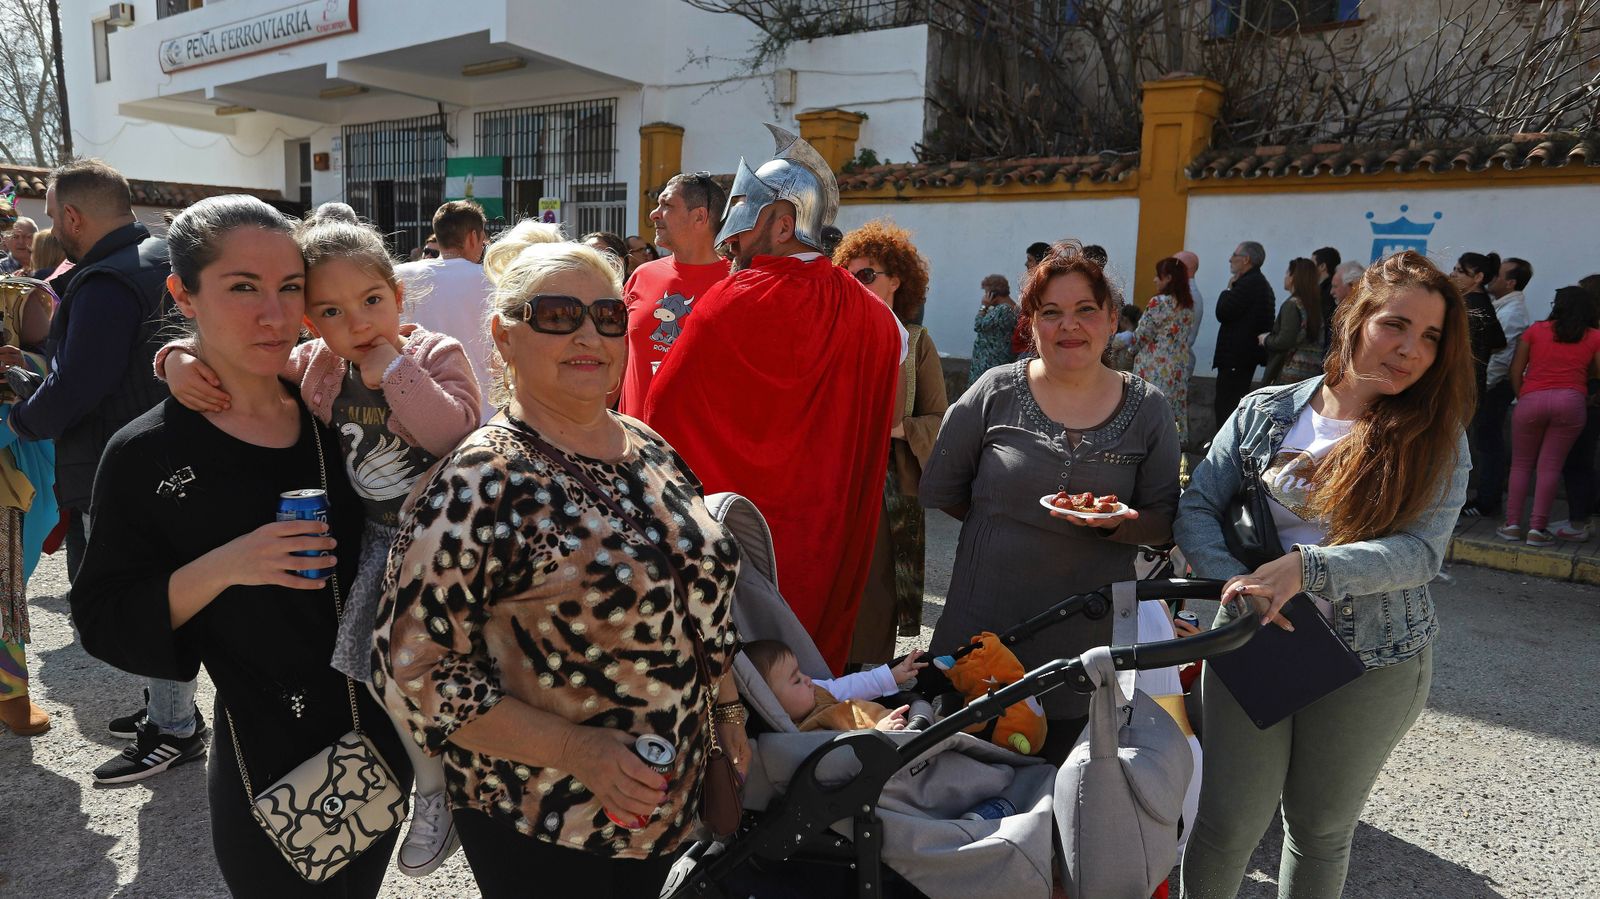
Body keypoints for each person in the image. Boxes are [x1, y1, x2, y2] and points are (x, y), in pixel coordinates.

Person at [372, 233, 745, 898]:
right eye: (555, 314)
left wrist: (730, 710)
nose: (588, 335)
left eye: (607, 316)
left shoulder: (648, 444)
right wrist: (578, 750)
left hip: (666, 805)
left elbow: (703, 595)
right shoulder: (481, 479)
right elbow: (411, 669)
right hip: (547, 820)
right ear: (504, 336)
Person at [70, 195, 415, 896]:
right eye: (242, 288)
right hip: (267, 761)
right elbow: (103, 612)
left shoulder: (336, 407)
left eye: (291, 288)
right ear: (182, 294)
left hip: (382, 735)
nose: (273, 314)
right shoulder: (146, 453)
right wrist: (231, 563)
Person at [157, 202, 483, 877]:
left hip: (450, 544)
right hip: (378, 544)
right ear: (312, 323)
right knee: (380, 670)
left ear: (398, 295)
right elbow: (238, 364)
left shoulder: (431, 353)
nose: (357, 322)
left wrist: (394, 368)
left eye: (370, 300)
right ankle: (434, 786)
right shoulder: (320, 367)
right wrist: (174, 357)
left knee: (448, 664)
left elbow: (451, 433)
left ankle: (461, 774)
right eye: (331, 312)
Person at [1175, 250, 1474, 899]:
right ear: (1355, 317)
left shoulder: (1436, 436)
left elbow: (1420, 553)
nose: (1411, 349)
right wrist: (1239, 583)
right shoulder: (1267, 410)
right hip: (1252, 633)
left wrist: (1308, 568)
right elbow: (1197, 503)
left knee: (1318, 829)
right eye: (1397, 324)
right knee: (1226, 824)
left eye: (1431, 337)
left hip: (1376, 657)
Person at [643, 124, 902, 672]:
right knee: (809, 677)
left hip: (744, 549)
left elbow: (662, 421)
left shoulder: (731, 301)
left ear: (784, 224)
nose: (729, 234)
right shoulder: (878, 319)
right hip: (829, 540)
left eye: (743, 211)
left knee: (747, 678)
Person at [920, 244, 1180, 763]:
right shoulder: (994, 391)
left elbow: (1163, 521)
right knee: (959, 788)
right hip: (982, 628)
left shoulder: (1148, 408)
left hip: (1082, 637)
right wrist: (1003, 526)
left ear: (1111, 319)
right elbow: (941, 488)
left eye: (1086, 310)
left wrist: (1116, 526)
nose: (1070, 326)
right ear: (1030, 322)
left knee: (1058, 796)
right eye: (1051, 312)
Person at [5, 159, 201, 783]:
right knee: (162, 589)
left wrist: (21, 417)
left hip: (127, 464)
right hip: (167, 450)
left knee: (150, 597)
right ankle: (167, 709)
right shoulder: (158, 255)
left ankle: (174, 728)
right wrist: (34, 383)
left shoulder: (103, 281)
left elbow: (80, 386)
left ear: (70, 217)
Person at [835, 220, 948, 663]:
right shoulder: (832, 335)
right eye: (848, 275)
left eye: (868, 275)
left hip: (888, 481)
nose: (856, 284)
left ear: (897, 280)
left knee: (876, 584)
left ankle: (874, 680)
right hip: (834, 476)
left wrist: (896, 428)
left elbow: (941, 419)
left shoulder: (917, 342)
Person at [617, 171, 730, 417]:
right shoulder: (641, 276)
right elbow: (618, 361)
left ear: (700, 216)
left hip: (697, 451)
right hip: (634, 445)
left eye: (667, 205)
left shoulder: (738, 285)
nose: (653, 214)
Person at [1496, 286, 1600, 546]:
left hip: (1531, 400)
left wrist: (1524, 397)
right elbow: (1598, 373)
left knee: (1520, 465)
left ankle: (1511, 526)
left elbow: (1515, 370)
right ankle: (1536, 530)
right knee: (1550, 467)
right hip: (1571, 402)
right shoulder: (1595, 336)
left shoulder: (1535, 331)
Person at [0, 277, 57, 735]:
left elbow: (56, 363)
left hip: (19, 477)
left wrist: (28, 368)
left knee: (7, 583)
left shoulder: (22, 296)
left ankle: (8, 689)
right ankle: (9, 691)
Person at [397, 201, 495, 420]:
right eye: (482, 238)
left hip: (415, 404)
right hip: (481, 409)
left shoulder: (401, 276)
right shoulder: (492, 280)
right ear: (472, 237)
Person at [1464, 257, 1534, 519]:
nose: (1493, 278)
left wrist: (1480, 387)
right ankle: (1484, 497)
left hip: (1494, 387)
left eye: (1500, 275)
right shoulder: (1502, 306)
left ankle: (1487, 500)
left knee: (1488, 443)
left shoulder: (1513, 312)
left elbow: (1499, 359)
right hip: (1488, 385)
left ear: (1511, 282)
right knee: (1483, 443)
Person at [744, 639, 925, 732]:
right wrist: (879, 735)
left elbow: (849, 685)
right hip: (883, 744)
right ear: (771, 705)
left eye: (800, 672)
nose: (807, 679)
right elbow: (841, 756)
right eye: (796, 680)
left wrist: (891, 675)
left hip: (899, 724)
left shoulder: (815, 690)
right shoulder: (804, 734)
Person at [1134, 256, 1199, 445]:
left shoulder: (1159, 302)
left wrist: (1130, 350)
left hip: (1155, 364)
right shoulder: (1188, 305)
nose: (1155, 279)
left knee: (1149, 406)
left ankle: (1148, 445)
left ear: (1168, 278)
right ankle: (1171, 444)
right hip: (1178, 365)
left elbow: (1142, 334)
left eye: (1158, 276)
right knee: (1173, 408)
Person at [1555, 274, 1600, 542]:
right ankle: (1584, 516)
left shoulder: (1591, 333)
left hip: (1588, 401)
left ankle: (1579, 521)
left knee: (1578, 463)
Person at [1213, 241, 1275, 426]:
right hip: (1244, 358)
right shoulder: (1260, 283)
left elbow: (1223, 312)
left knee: (1226, 406)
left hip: (1236, 358)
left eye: (1234, 255)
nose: (1230, 259)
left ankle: (1224, 452)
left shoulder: (1247, 284)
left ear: (1246, 259)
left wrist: (1228, 290)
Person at [1261, 257, 1325, 386]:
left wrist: (1265, 339)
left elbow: (1285, 340)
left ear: (1293, 277)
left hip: (1288, 373)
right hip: (1310, 374)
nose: (1285, 277)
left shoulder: (1292, 305)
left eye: (1287, 273)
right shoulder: (1314, 305)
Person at [972, 273, 1019, 380]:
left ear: (992, 293)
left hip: (990, 362)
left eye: (986, 292)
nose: (985, 296)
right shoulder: (1009, 307)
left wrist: (984, 306)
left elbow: (979, 325)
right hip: (992, 361)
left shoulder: (1003, 309)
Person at [1010, 241, 1051, 359]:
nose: (1026, 264)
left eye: (1030, 259)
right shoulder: (1034, 284)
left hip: (1033, 348)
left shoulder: (1045, 287)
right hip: (1025, 345)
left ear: (1040, 262)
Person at [1312, 246, 1341, 347]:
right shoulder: (1320, 289)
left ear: (1322, 266)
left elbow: (1325, 320)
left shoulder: (1328, 292)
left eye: (1312, 264)